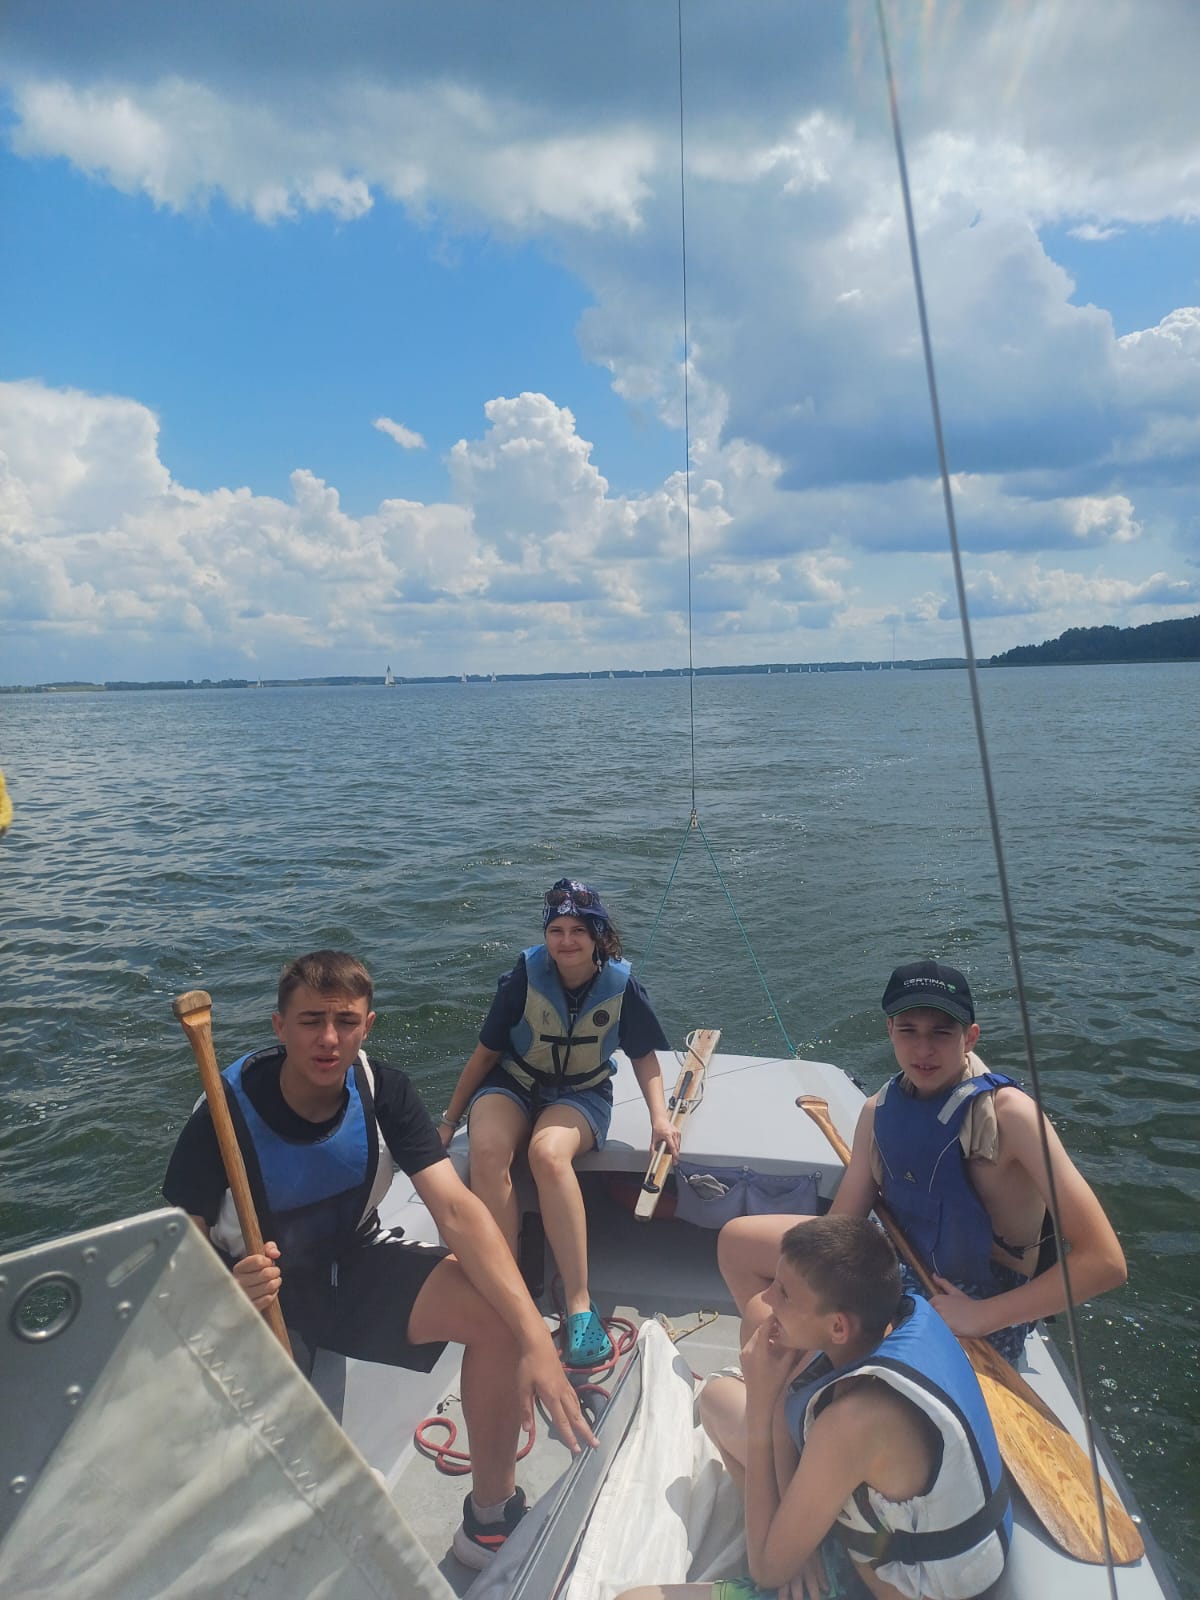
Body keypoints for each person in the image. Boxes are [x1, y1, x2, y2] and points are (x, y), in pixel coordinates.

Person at [162, 949, 596, 1570]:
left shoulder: (381, 1088)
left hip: (352, 1263)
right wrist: (223, 1281)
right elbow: (180, 1240)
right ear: (280, 1026)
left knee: (500, 1317)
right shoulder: (223, 1111)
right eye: (310, 1021)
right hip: (258, 1295)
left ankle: (490, 1522)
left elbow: (457, 1210)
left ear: (367, 1026)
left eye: (345, 1021)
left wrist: (535, 1338)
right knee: (260, 1457)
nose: (328, 1038)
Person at [718, 959, 1128, 1364]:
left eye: (941, 1032)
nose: (923, 1049)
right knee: (738, 1244)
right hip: (893, 1257)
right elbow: (843, 1226)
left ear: (969, 1037)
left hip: (974, 1298)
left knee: (797, 1337)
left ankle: (789, 1384)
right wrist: (795, 1290)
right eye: (909, 1030)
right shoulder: (878, 1110)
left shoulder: (1011, 1117)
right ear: (890, 1030)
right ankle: (778, 1376)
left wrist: (983, 1315)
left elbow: (1104, 1260)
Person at [616, 1216, 1011, 1600]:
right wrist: (794, 1546)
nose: (768, 1299)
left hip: (895, 1584)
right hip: (878, 1527)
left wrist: (761, 1404)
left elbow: (767, 1571)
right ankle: (795, 1541)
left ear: (838, 1327)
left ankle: (795, 1547)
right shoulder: (880, 1328)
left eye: (785, 1294)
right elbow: (789, 1419)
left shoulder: (853, 1423)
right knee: (717, 1398)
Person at [438, 877, 680, 1368]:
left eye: (578, 931)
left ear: (598, 935)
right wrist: (448, 1120)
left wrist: (660, 1119)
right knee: (487, 1150)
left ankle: (579, 1305)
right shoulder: (522, 979)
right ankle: (504, 1287)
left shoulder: (622, 986)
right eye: (556, 930)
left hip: (581, 1093)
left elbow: (643, 1056)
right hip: (513, 1083)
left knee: (547, 1154)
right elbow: (485, 1054)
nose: (566, 941)